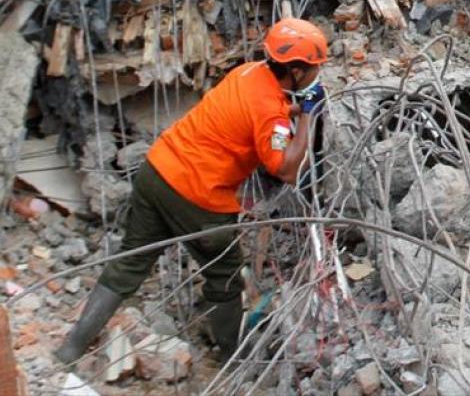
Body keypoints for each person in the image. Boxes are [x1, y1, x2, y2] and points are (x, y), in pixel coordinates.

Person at [55, 18, 329, 365]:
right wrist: (306, 115)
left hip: (157, 172)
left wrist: (290, 108)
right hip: (196, 196)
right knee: (225, 274)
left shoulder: (247, 73)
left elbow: (257, 113)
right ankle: (233, 355)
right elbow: (288, 169)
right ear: (296, 71)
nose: (318, 73)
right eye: (315, 68)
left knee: (130, 262)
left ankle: (71, 348)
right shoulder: (270, 111)